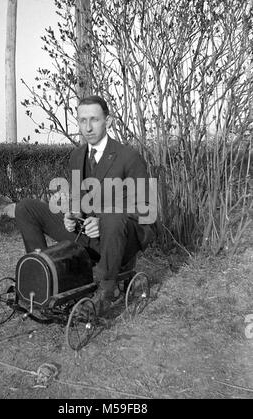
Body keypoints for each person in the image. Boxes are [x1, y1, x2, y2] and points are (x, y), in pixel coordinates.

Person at [15, 95, 155, 316]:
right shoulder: (77, 156)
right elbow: (78, 199)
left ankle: (104, 293)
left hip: (118, 238)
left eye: (94, 120)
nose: (87, 127)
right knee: (26, 207)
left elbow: (146, 209)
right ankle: (43, 276)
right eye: (82, 121)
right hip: (85, 236)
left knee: (112, 217)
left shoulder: (129, 157)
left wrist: (103, 220)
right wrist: (72, 214)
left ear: (107, 122)